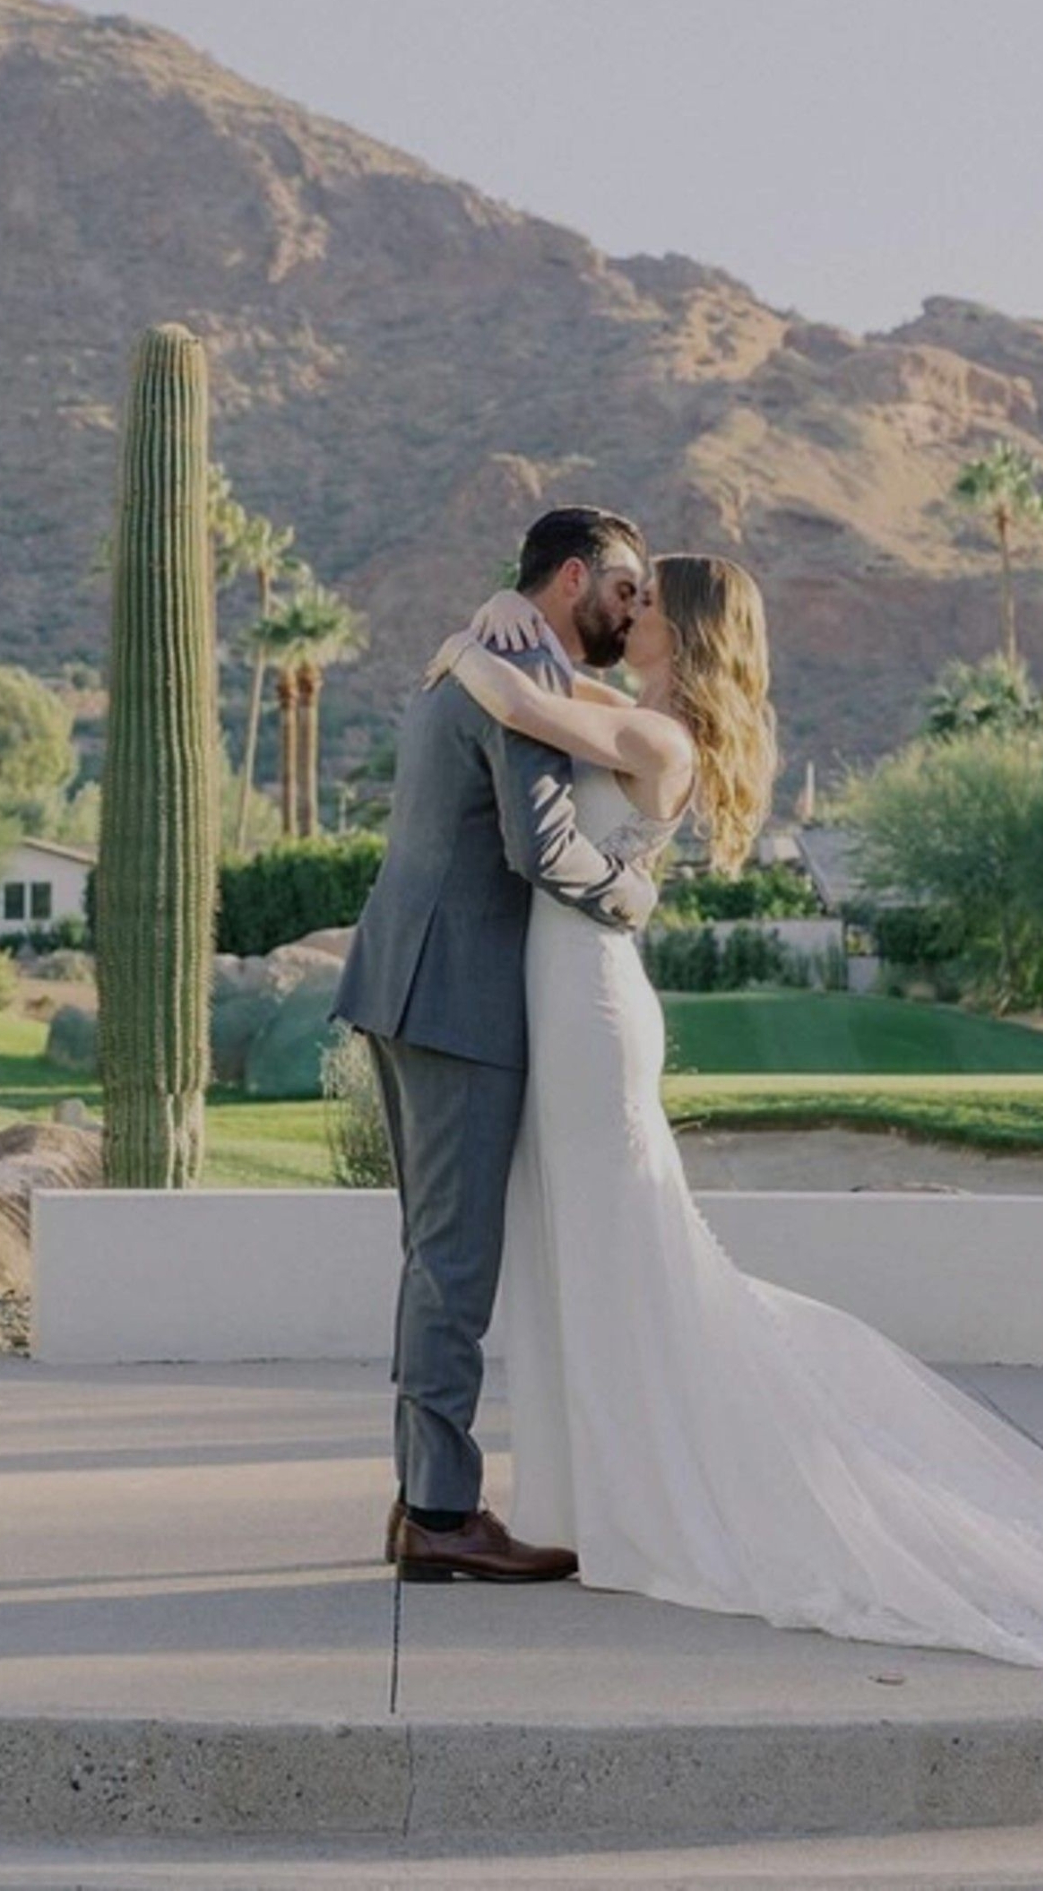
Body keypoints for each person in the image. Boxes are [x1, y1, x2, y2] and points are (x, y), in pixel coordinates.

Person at [428, 554, 1043, 1669]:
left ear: (682, 627)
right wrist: (497, 613)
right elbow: (537, 683)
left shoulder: (662, 740)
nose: (624, 614)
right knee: (582, 1252)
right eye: (622, 597)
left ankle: (635, 1503)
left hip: (588, 1009)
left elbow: (518, 696)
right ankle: (586, 1501)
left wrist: (467, 644)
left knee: (616, 1249)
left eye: (644, 603)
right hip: (563, 996)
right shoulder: (633, 711)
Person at [333, 506, 658, 1584]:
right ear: (573, 577)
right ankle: (438, 1508)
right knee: (455, 1261)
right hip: (460, 1000)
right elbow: (543, 847)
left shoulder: (489, 656)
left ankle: (421, 1494)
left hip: (406, 980)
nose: (630, 608)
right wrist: (630, 892)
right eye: (622, 587)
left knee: (436, 1253)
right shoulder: (516, 664)